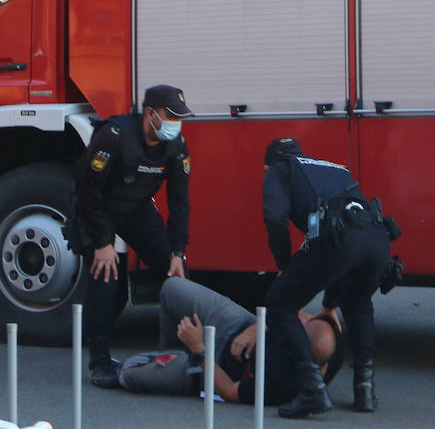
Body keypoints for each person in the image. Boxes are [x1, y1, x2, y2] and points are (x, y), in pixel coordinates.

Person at [261, 137, 392, 418]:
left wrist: (284, 265)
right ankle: (365, 390)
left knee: (279, 305)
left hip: (342, 236)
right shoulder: (333, 167)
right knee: (358, 302)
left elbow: (275, 218)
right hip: (377, 237)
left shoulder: (278, 169)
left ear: (267, 164)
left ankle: (312, 391)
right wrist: (331, 304)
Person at [74, 84, 193, 388]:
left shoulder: (176, 144)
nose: (176, 123)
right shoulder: (114, 136)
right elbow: (88, 191)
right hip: (98, 211)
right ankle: (98, 362)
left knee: (175, 273)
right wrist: (102, 242)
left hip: (136, 209)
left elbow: (180, 203)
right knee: (107, 279)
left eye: (180, 118)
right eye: (171, 116)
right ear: (150, 114)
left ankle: (181, 352)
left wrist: (178, 252)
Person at [118, 276, 342, 406]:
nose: (298, 326)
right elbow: (296, 314)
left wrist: (199, 350)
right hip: (239, 324)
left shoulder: (286, 386)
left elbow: (229, 391)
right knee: (171, 287)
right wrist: (259, 326)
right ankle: (169, 353)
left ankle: (177, 362)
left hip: (217, 365)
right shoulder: (328, 335)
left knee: (129, 373)